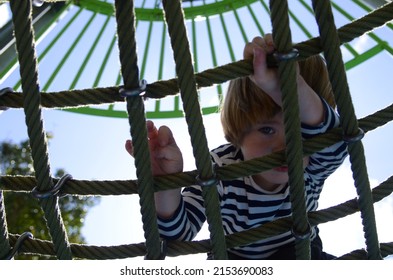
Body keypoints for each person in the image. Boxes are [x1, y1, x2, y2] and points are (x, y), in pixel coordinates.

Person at [125, 34, 348, 259]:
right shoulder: (221, 170)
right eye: (267, 130)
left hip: (303, 254)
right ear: (238, 134)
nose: (287, 147)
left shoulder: (311, 167)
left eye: (301, 131)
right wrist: (166, 185)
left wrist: (292, 90)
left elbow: (336, 143)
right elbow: (177, 236)